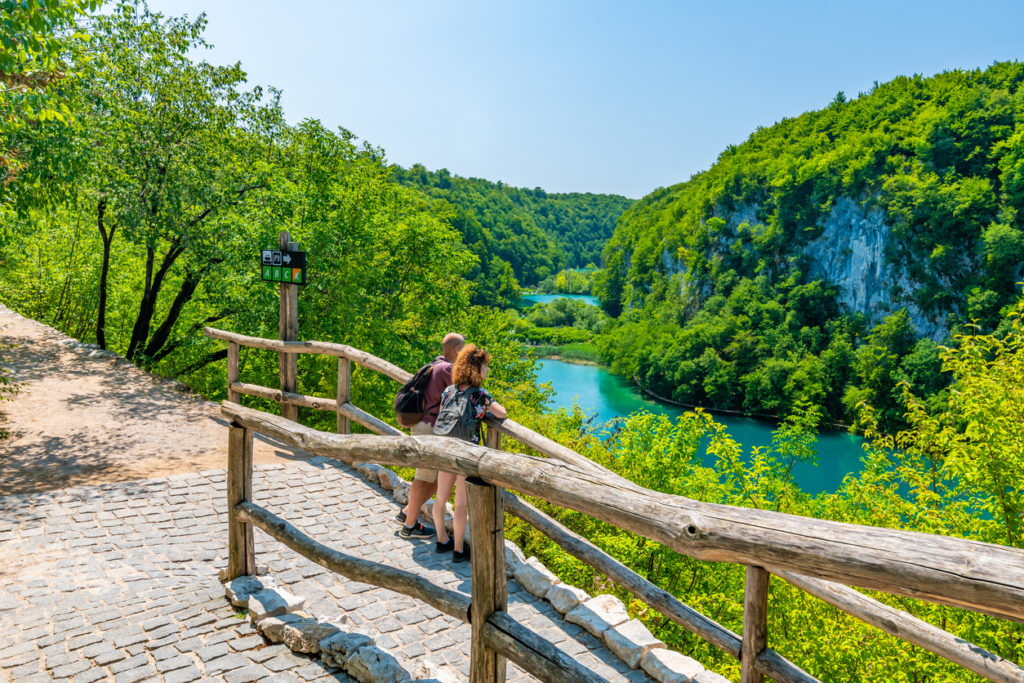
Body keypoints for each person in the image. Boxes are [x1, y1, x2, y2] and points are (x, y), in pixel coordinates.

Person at [432, 344, 506, 562]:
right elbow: (501, 413)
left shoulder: (449, 391)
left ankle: (441, 540)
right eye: (485, 366)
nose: (487, 370)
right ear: (476, 368)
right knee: (461, 504)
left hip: (446, 450)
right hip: (466, 454)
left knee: (441, 498)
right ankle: (457, 550)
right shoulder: (480, 394)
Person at [396, 332, 465, 539]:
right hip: (430, 429)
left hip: (424, 425)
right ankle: (409, 527)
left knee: (435, 479)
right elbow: (467, 392)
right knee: (423, 477)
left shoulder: (434, 364)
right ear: (457, 349)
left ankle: (407, 512)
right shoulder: (448, 369)